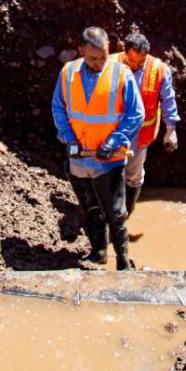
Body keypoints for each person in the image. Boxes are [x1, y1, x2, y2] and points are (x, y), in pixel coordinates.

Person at [53, 27, 144, 271]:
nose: (99, 63)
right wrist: (70, 139)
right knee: (90, 210)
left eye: (103, 57)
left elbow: (136, 114)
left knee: (116, 213)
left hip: (109, 159)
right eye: (93, 58)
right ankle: (99, 253)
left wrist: (114, 141)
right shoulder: (68, 73)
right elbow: (59, 108)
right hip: (80, 159)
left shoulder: (120, 74)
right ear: (81, 51)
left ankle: (123, 261)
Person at [114, 33, 179, 229]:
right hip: (111, 134)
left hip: (140, 137)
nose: (135, 65)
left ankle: (126, 215)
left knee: (133, 176)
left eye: (140, 61)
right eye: (131, 60)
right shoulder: (109, 63)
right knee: (107, 174)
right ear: (123, 52)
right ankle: (107, 216)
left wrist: (171, 129)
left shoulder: (159, 70)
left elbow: (168, 100)